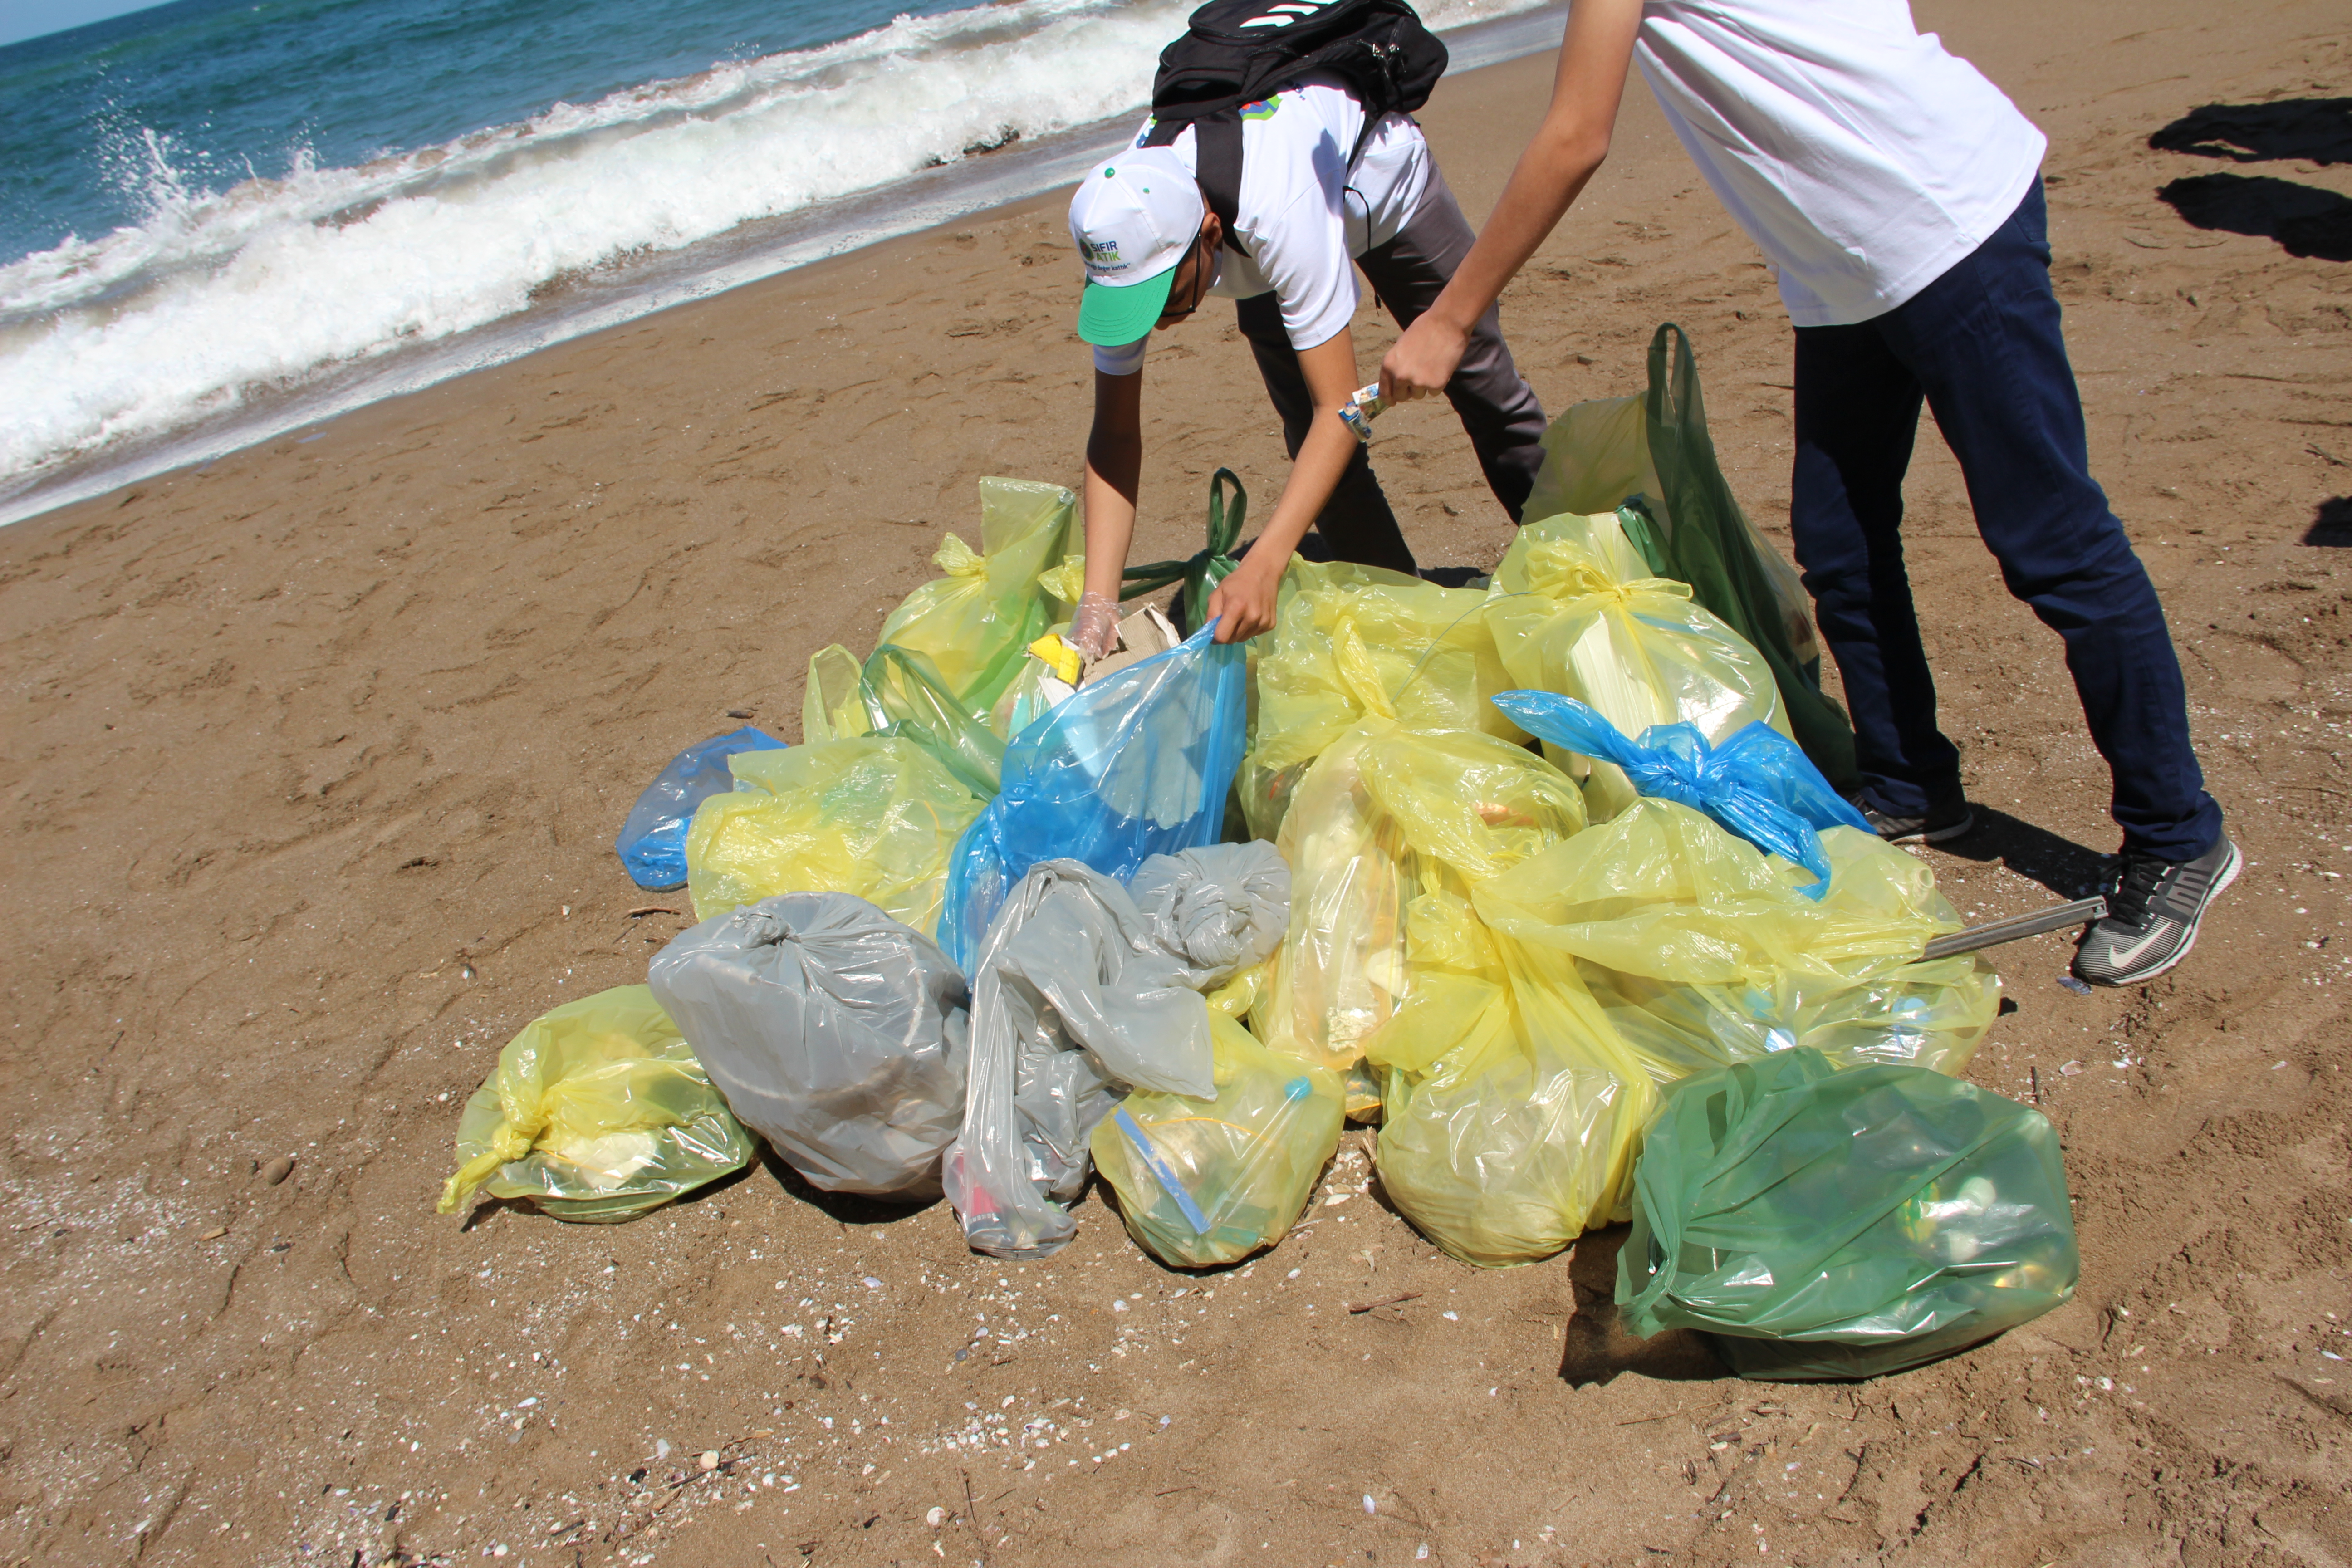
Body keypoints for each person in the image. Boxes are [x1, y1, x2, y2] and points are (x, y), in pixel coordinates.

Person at [1376, 0, 2232, 987]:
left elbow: (1577, 134)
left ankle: (2177, 838)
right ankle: (1912, 783)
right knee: (1843, 540)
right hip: (1845, 265)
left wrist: (1451, 317)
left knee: (2055, 544)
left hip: (1941, 220)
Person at [1064, 69, 1547, 655]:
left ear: (1209, 233)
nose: (1146, 320)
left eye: (1160, 297)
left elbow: (1340, 409)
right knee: (1318, 456)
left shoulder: (1275, 209)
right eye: (1126, 303)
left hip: (1380, 188)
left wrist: (1267, 562)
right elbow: (1114, 433)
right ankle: (1403, 626)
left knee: (1483, 383)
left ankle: (1573, 562)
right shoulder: (1126, 232)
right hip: (1256, 248)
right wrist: (1097, 607)